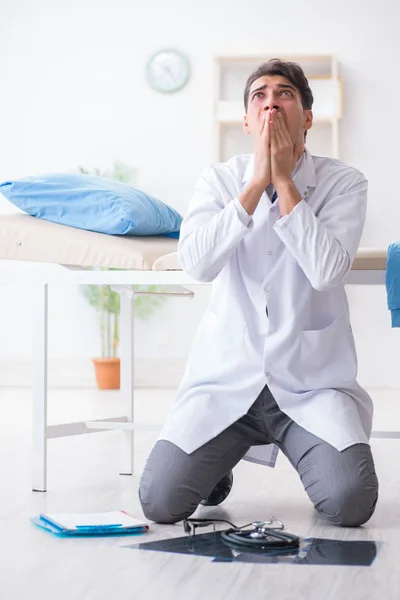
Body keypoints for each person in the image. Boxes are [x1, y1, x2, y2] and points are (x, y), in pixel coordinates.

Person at [139, 58, 379, 527]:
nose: (271, 105)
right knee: (160, 502)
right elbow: (198, 265)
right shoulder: (219, 180)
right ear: (247, 120)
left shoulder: (344, 183)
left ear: (307, 116)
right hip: (228, 381)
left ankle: (229, 460)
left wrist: (284, 181)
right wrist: (255, 186)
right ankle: (216, 469)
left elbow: (328, 270)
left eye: (285, 94)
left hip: (311, 385)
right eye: (259, 97)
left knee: (350, 504)